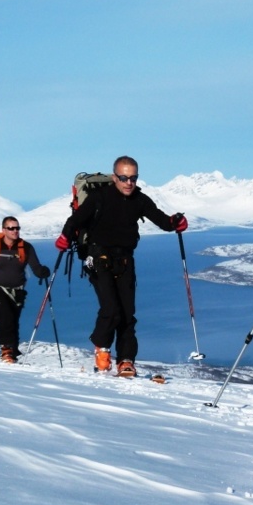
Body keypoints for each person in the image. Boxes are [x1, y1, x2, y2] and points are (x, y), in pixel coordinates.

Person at [55, 156, 188, 376]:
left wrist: (175, 222)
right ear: (115, 177)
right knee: (111, 309)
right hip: (97, 259)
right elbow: (75, 221)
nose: (129, 183)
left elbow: (162, 221)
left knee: (127, 313)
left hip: (125, 260)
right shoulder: (99, 198)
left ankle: (126, 360)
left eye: (133, 178)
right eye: (124, 177)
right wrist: (65, 237)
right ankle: (102, 351)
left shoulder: (139, 199)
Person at [0, 217, 50, 363]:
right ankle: (6, 350)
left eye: (17, 228)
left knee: (13, 321)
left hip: (18, 292)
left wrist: (43, 272)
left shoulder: (26, 247)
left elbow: (36, 267)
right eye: (11, 228)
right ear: (4, 230)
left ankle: (12, 352)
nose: (15, 231)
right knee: (5, 319)